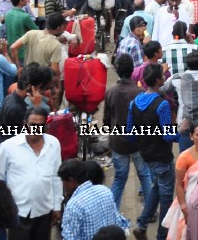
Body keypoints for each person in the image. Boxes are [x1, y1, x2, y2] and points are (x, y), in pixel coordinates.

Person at [127, 64, 179, 240]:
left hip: (146, 154)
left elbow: (131, 133)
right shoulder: (162, 104)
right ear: (158, 80)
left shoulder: (134, 103)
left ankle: (142, 224)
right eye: (163, 76)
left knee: (156, 187)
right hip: (162, 157)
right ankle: (161, 235)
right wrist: (182, 132)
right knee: (166, 198)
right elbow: (167, 136)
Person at [0, 106, 62, 240]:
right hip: (18, 212)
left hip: (44, 210)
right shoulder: (8, 147)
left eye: (40, 125)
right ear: (24, 123)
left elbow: (57, 177)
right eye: (32, 124)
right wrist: (4, 207)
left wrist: (57, 206)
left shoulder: (53, 144)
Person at [103, 53, 154, 210]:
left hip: (118, 143)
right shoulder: (140, 93)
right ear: (132, 70)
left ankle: (112, 211)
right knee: (144, 176)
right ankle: (149, 210)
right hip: (138, 142)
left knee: (119, 178)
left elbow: (106, 121)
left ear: (117, 71)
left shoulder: (110, 92)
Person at [57, 159, 129, 240]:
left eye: (63, 181)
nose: (63, 185)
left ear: (71, 180)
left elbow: (69, 238)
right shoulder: (105, 191)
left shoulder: (73, 206)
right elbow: (119, 222)